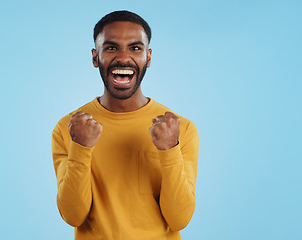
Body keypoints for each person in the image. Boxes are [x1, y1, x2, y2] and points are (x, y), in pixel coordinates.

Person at [52, 10, 199, 240]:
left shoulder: (181, 130)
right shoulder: (69, 128)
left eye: (135, 48)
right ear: (95, 57)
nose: (123, 58)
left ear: (148, 58)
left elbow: (179, 219)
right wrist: (80, 148)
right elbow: (73, 216)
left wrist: (169, 150)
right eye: (111, 48)